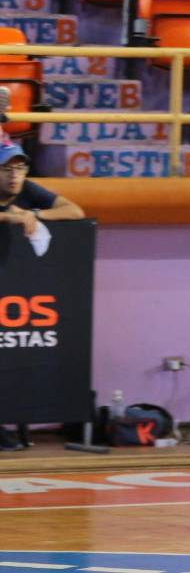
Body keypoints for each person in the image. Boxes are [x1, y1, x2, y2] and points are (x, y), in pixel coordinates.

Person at [0, 139, 85, 450]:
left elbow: (75, 211)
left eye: (19, 166)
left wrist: (34, 214)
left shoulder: (28, 190)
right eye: (6, 168)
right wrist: (10, 217)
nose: (14, 174)